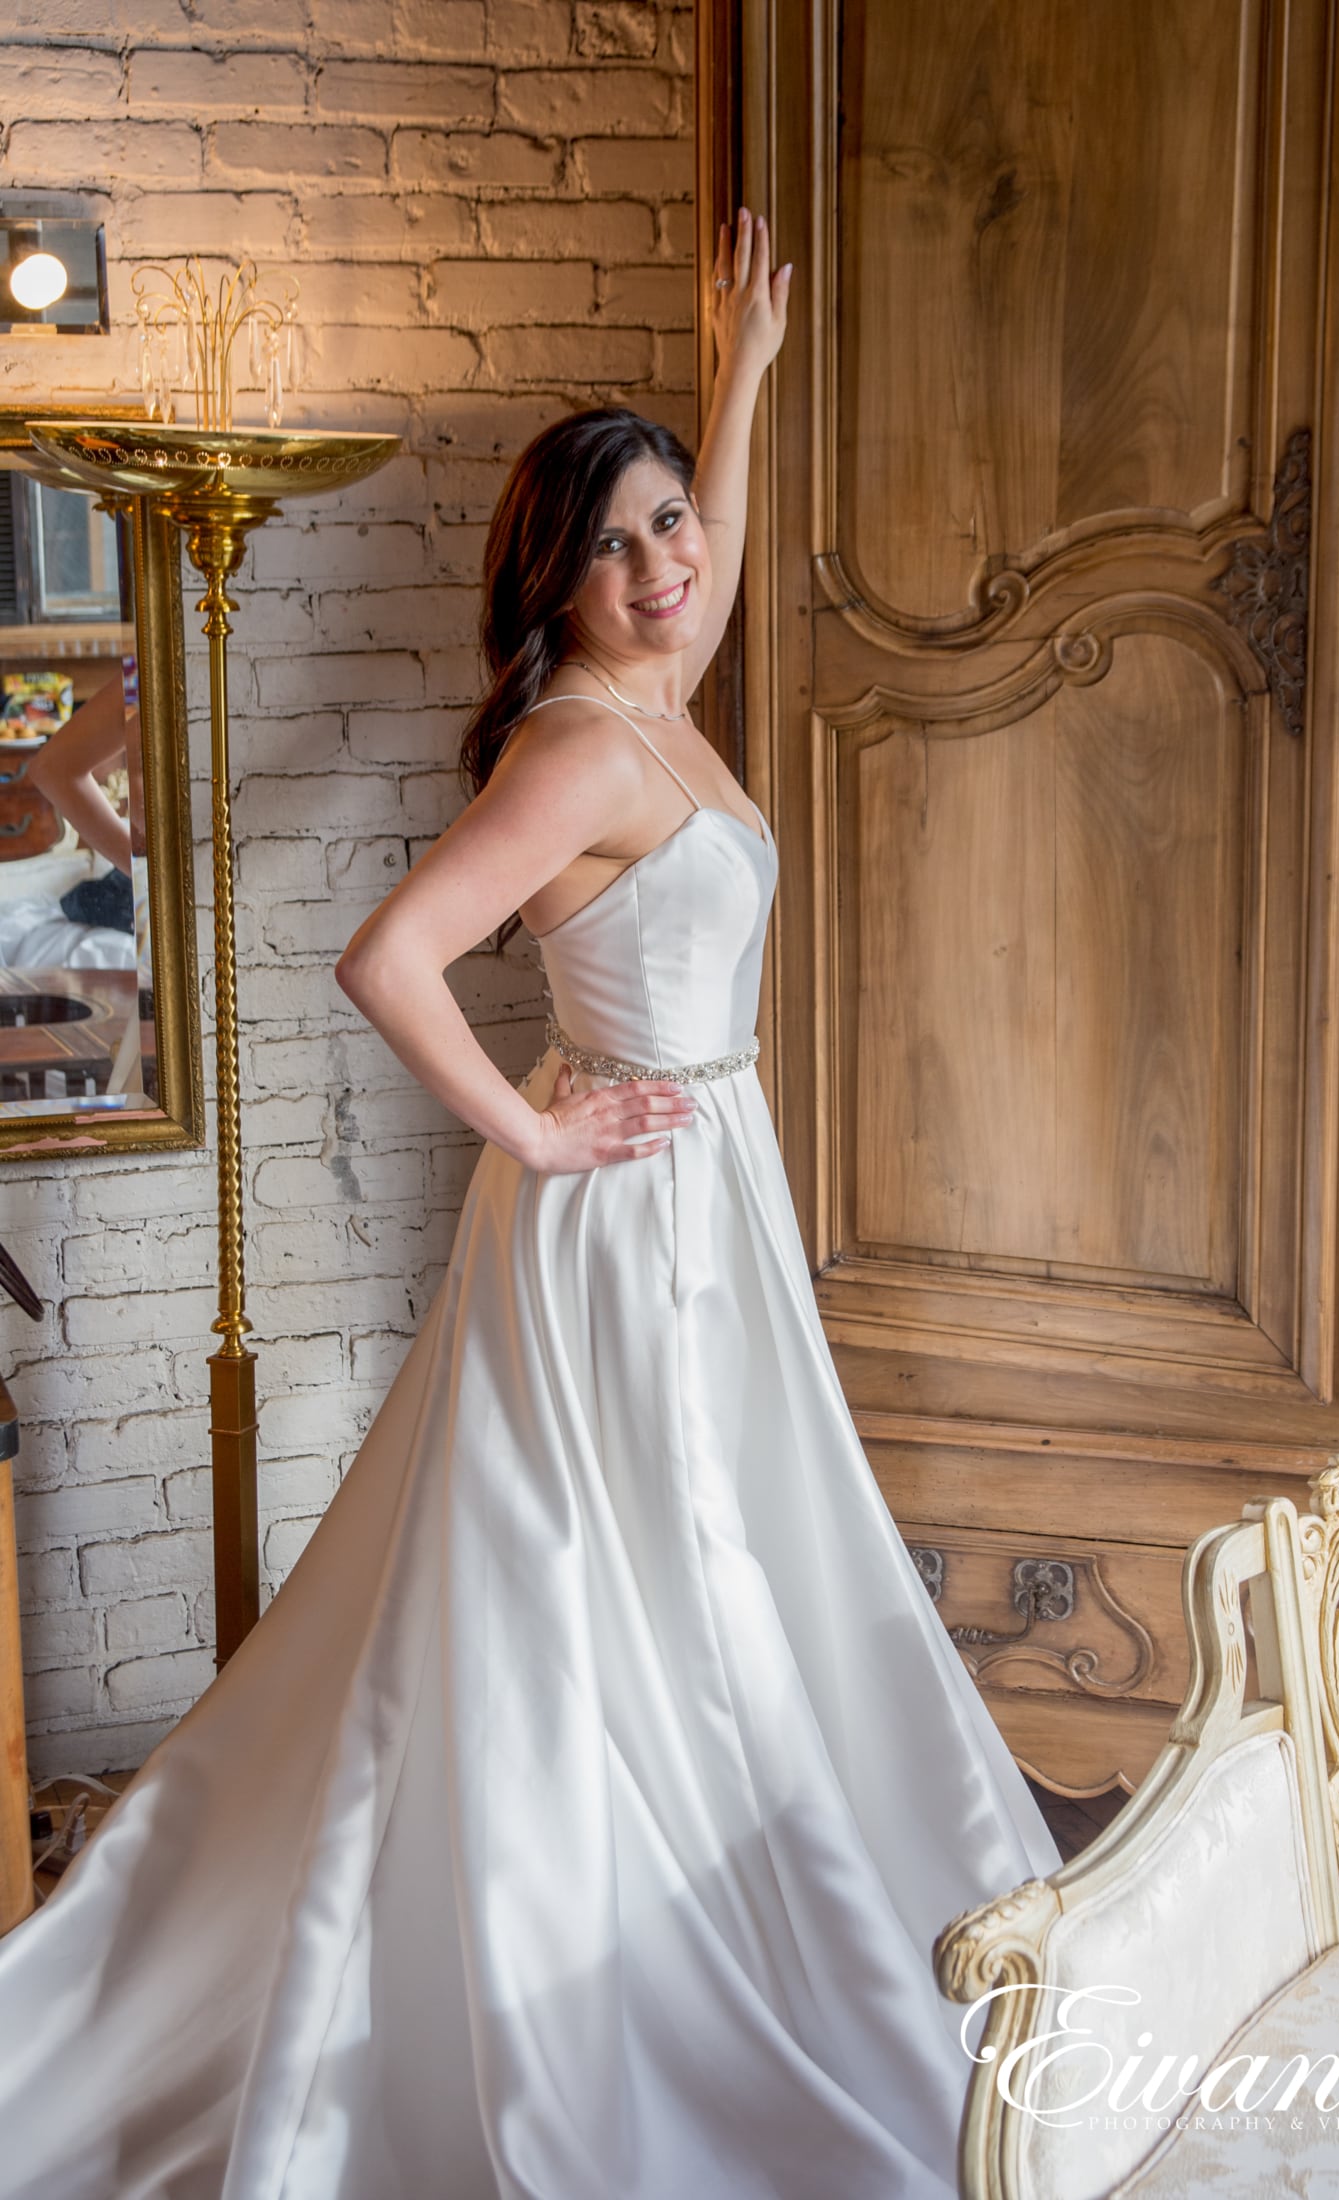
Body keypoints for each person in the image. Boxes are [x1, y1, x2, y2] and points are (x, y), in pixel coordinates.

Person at [0, 207, 1060, 2199]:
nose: (672, 567)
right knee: (660, 1578)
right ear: (556, 582)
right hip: (631, 1226)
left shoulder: (657, 691)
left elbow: (721, 589)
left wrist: (737, 379)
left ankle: (755, 1884)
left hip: (705, 1195)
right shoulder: (578, 751)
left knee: (715, 1549)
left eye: (672, 526)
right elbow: (391, 955)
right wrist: (539, 1130)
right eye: (626, 542)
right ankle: (644, 1961)